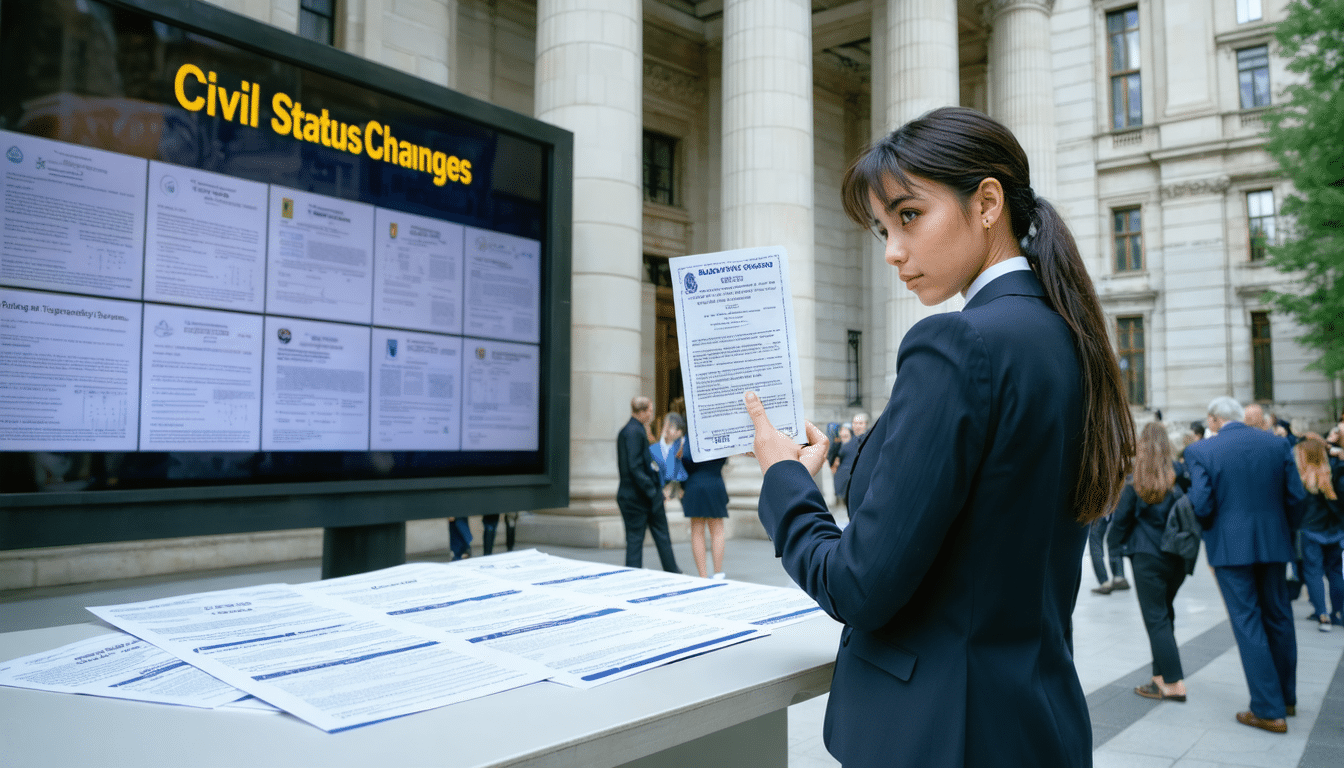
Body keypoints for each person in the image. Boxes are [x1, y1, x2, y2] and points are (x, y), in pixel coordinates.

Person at [743, 107, 1135, 767]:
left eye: (909, 216)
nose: (894, 250)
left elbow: (857, 586)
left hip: (940, 735)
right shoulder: (1070, 337)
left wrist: (786, 481)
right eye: (883, 229)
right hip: (1038, 724)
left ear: (987, 203)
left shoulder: (958, 343)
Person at [1184, 396, 1305, 734]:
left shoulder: (1201, 451)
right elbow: (1296, 497)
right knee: (1279, 617)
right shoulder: (1276, 444)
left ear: (1213, 420)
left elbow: (1202, 503)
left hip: (1229, 546)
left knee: (1248, 622)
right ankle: (1287, 698)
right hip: (1273, 542)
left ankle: (1268, 709)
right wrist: (1284, 530)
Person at [1108, 423, 1190, 702]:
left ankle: (1173, 683)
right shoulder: (1179, 476)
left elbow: (1119, 523)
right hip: (1177, 557)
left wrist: (1114, 554)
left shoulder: (1136, 480)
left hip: (1147, 556)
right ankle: (1160, 677)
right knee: (1165, 614)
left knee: (1156, 619)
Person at [616, 396, 680, 572]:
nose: (652, 415)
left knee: (637, 540)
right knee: (655, 537)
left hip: (634, 496)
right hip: (641, 497)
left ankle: (668, 571)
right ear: (642, 411)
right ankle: (672, 572)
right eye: (650, 411)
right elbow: (635, 467)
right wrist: (654, 492)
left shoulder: (628, 431)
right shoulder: (634, 432)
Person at [1294, 435, 1343, 630]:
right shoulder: (1335, 474)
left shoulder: (1301, 480)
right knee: (1335, 571)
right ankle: (1338, 611)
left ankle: (1322, 614)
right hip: (1335, 530)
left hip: (1310, 529)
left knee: (1313, 572)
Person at [681, 439, 730, 578]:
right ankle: (718, 573)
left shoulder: (692, 432)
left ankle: (702, 576)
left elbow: (687, 460)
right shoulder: (717, 432)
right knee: (718, 531)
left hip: (695, 484)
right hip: (715, 482)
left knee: (697, 532)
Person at [649, 412, 688, 499]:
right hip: (658, 497)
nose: (666, 429)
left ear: (679, 431)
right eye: (665, 425)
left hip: (680, 496)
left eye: (671, 426)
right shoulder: (652, 449)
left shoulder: (683, 449)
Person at [831, 413, 867, 507]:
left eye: (860, 423)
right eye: (855, 423)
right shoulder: (847, 443)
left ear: (865, 425)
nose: (857, 426)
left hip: (863, 480)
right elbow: (832, 458)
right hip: (847, 480)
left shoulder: (870, 440)